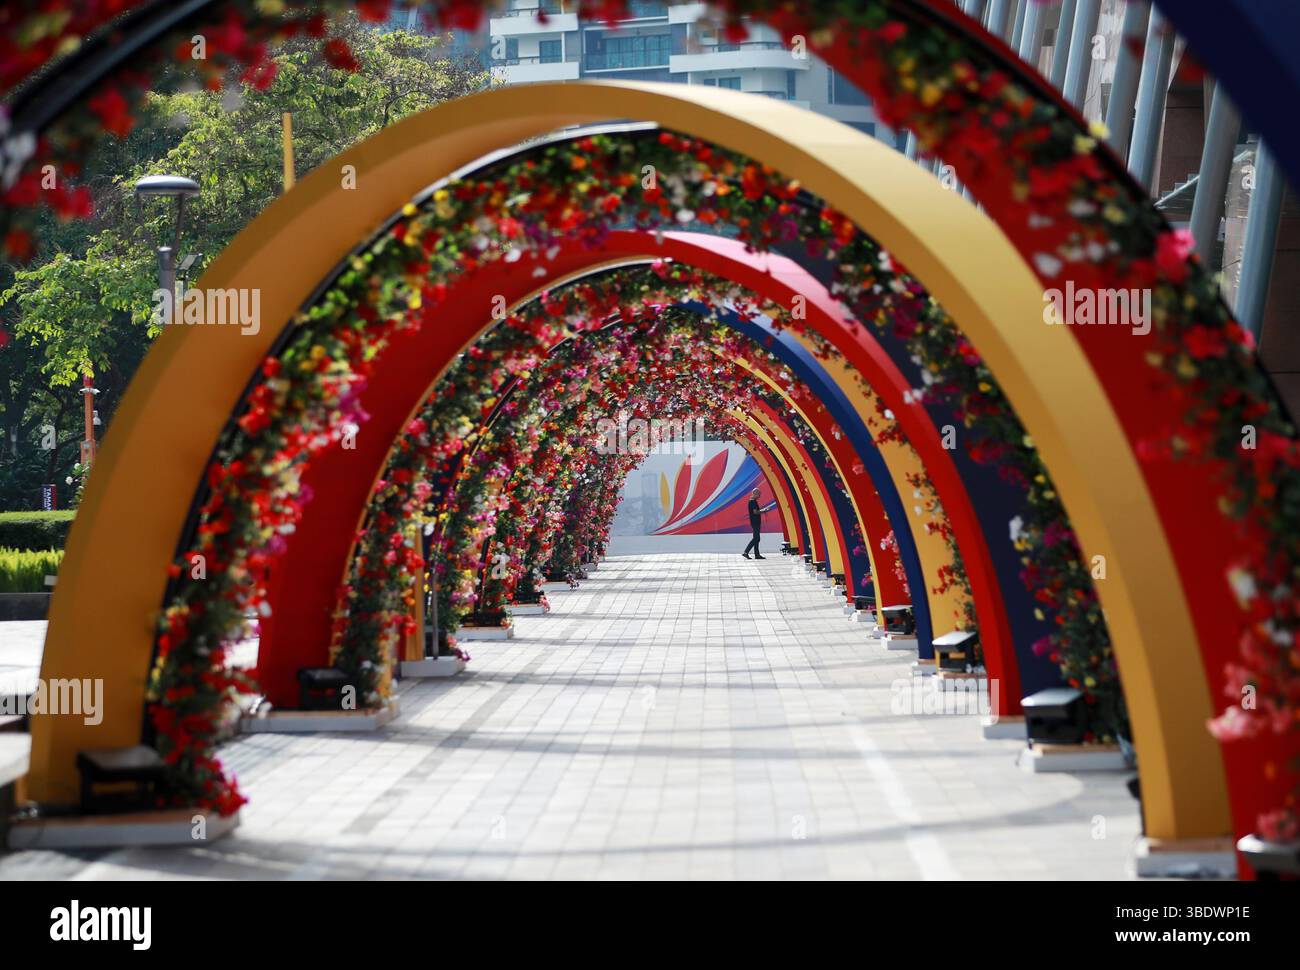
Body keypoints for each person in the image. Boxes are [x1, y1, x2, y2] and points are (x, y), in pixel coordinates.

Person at [742, 487, 765, 559]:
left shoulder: (752, 501)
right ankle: (746, 552)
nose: (759, 496)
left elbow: (755, 510)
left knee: (757, 538)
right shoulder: (752, 501)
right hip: (755, 522)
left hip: (755, 521)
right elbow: (755, 512)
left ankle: (757, 554)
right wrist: (763, 511)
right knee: (756, 538)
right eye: (759, 494)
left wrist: (762, 510)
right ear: (755, 493)